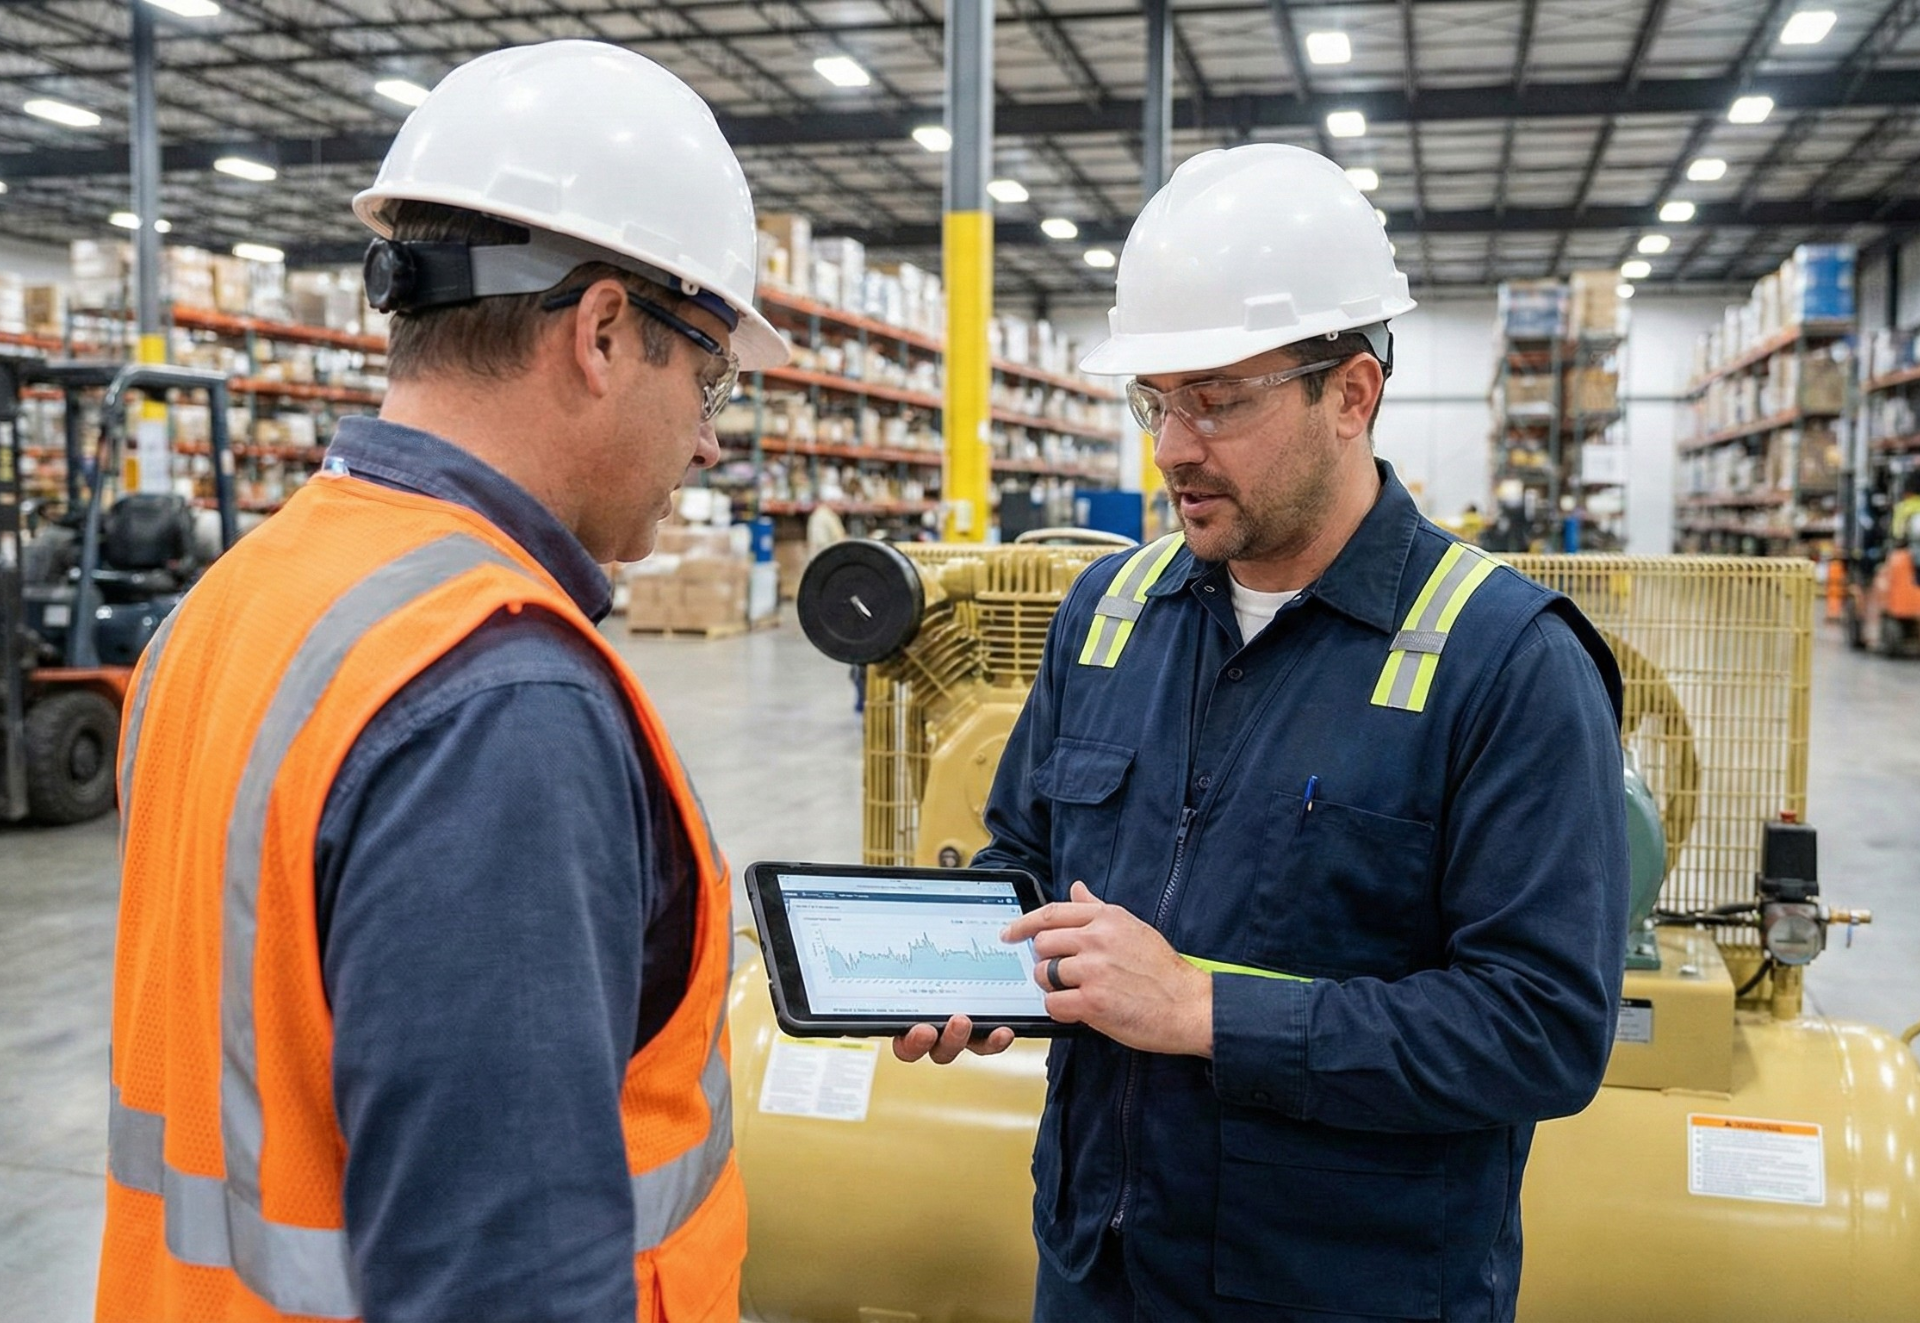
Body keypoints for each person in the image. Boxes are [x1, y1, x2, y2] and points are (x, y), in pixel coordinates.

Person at [96, 42, 785, 1323]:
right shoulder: (494, 698)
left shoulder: (234, 601)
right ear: (602, 332)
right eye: (709, 375)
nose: (705, 437)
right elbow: (505, 1279)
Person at [897, 144, 1629, 1321]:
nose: (1174, 447)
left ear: (1352, 394)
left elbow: (1540, 1031)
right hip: (1101, 1265)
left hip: (1340, 1288)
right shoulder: (1107, 615)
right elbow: (1022, 855)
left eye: (1218, 401)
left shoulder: (1503, 661)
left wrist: (1205, 1013)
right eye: (1157, 402)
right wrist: (979, 964)